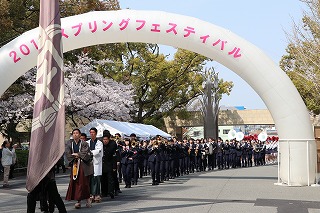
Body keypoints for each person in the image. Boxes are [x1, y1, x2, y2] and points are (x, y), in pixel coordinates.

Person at [65, 128, 93, 209]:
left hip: (83, 165)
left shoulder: (84, 143)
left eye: (77, 133)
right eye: (74, 133)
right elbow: (67, 152)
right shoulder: (70, 143)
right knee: (75, 182)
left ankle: (88, 198)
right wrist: (75, 156)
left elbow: (86, 152)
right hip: (75, 164)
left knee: (84, 183)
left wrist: (78, 154)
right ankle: (78, 201)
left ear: (80, 135)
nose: (75, 134)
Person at [87, 127, 103, 203]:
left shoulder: (99, 143)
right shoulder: (87, 142)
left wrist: (90, 152)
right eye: (90, 132)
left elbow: (98, 151)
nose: (92, 134)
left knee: (96, 179)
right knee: (90, 179)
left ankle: (97, 194)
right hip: (89, 162)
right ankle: (91, 194)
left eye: (93, 132)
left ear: (96, 133)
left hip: (97, 162)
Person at [101, 130, 117, 198]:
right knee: (103, 179)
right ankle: (104, 192)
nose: (105, 141)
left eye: (106, 139)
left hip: (110, 164)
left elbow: (114, 156)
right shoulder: (100, 144)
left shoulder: (112, 144)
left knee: (110, 179)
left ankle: (111, 191)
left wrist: (114, 166)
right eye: (104, 139)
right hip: (102, 164)